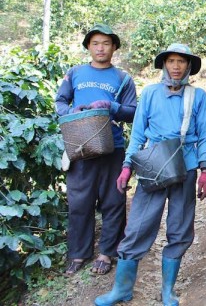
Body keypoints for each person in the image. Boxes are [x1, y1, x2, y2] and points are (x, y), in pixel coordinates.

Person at [94, 43, 206, 306]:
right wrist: (127, 166)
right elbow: (137, 134)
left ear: (189, 66)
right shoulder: (148, 94)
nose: (176, 66)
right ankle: (122, 290)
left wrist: (205, 170)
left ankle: (168, 291)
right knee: (138, 225)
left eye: (181, 61)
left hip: (186, 166)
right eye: (171, 61)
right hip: (151, 167)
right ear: (163, 65)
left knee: (180, 227)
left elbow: (204, 136)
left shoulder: (198, 96)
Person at [55, 23, 137, 277]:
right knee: (80, 201)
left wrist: (112, 106)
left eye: (106, 43)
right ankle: (78, 253)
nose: (100, 48)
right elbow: (60, 101)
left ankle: (107, 253)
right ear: (89, 47)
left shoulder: (123, 79)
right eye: (95, 43)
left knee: (113, 200)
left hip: (112, 147)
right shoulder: (75, 73)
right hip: (80, 147)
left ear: (114, 47)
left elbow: (133, 112)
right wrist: (71, 112)